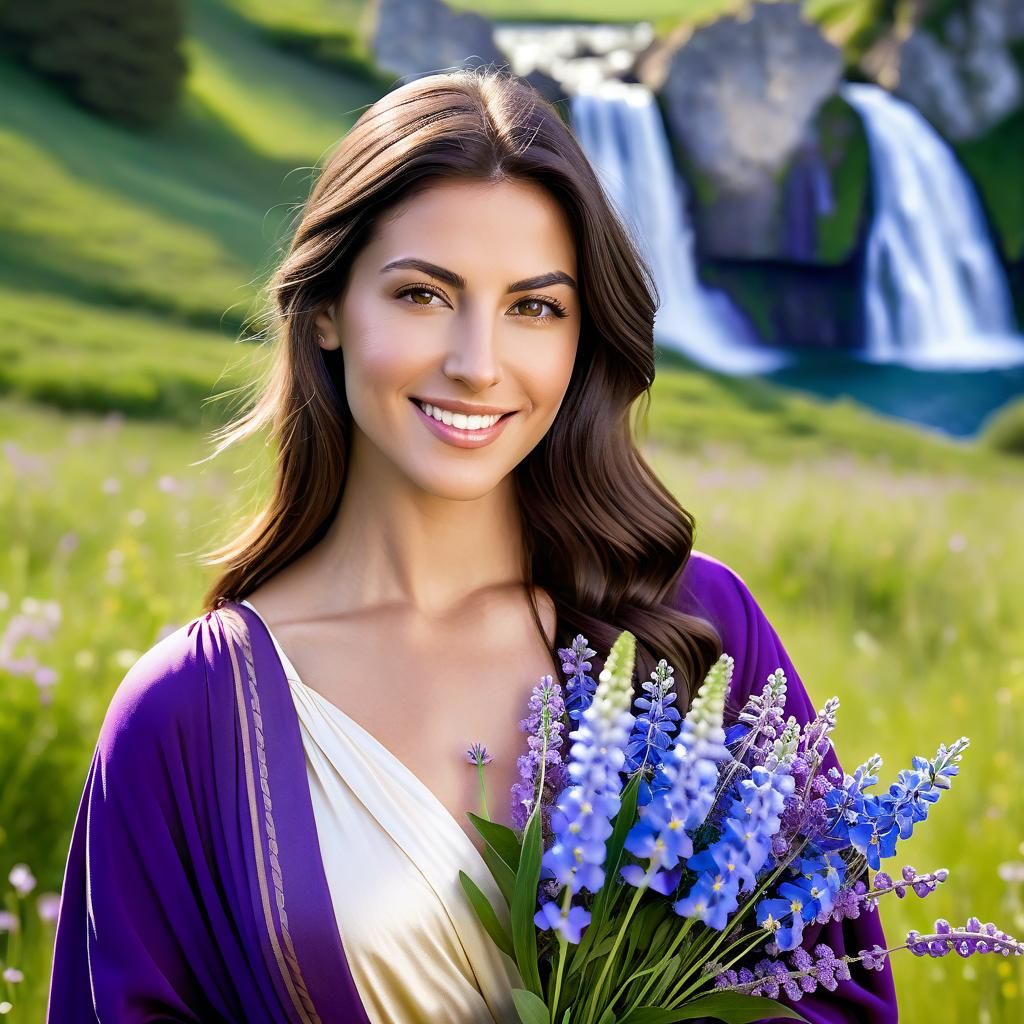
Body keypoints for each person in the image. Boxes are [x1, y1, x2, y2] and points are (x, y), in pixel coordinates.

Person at [45, 67, 898, 1023]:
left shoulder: (698, 634)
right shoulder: (187, 716)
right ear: (326, 310)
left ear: (582, 339)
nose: (477, 364)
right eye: (422, 295)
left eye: (535, 307)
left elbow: (838, 993)